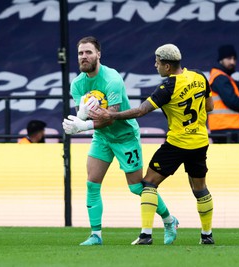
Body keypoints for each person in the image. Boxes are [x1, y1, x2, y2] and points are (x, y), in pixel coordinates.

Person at [89, 44, 215, 245]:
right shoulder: (199, 76)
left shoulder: (168, 87)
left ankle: (146, 235)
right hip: (200, 142)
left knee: (148, 184)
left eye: (157, 62)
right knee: (200, 189)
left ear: (166, 67)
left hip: (177, 144)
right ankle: (207, 235)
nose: (154, 65)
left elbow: (140, 111)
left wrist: (110, 114)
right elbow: (209, 106)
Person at [62, 36, 177, 246]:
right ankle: (95, 235)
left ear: (98, 54)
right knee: (92, 184)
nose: (84, 57)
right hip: (102, 138)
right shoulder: (77, 84)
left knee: (136, 188)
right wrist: (75, 123)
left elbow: (109, 117)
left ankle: (169, 220)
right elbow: (84, 115)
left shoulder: (112, 79)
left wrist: (83, 126)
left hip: (124, 137)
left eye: (88, 52)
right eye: (80, 53)